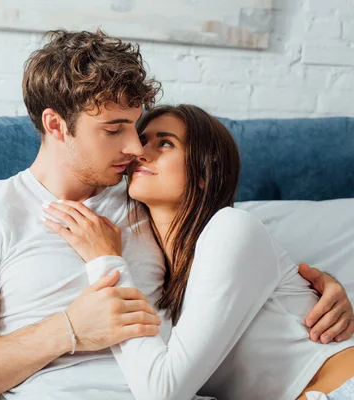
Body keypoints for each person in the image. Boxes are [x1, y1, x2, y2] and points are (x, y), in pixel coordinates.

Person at [0, 30, 354, 400]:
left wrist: (327, 286)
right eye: (114, 130)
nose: (133, 148)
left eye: (137, 127)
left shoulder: (153, 202)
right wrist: (70, 329)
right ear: (55, 125)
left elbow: (244, 254)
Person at [43, 104, 354, 400]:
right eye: (142, 140)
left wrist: (105, 262)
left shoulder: (231, 228)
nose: (140, 152)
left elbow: (161, 392)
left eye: (164, 144)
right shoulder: (158, 275)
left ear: (205, 172)